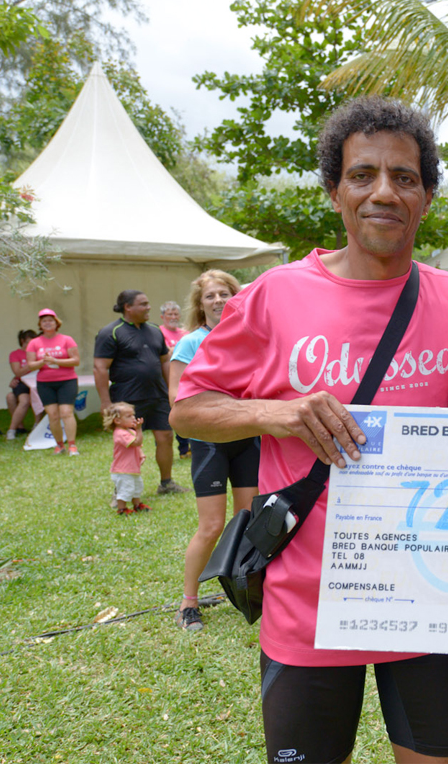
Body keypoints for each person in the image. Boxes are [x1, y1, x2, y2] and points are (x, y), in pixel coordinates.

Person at [170, 96, 448, 764]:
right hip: (307, 606)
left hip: (425, 600)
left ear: (427, 196)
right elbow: (188, 405)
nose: (384, 191)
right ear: (334, 190)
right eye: (363, 174)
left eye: (405, 177)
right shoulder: (272, 295)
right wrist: (275, 412)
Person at [167, 270, 260, 632]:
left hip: (248, 437)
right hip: (209, 443)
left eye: (224, 294)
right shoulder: (190, 343)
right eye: (211, 296)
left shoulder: (249, 337)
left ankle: (239, 585)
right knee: (211, 525)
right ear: (200, 303)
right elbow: (176, 396)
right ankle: (188, 603)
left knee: (246, 521)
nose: (218, 300)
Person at [94, 290, 188, 494]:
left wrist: (172, 390)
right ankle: (122, 491)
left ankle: (167, 484)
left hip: (157, 395)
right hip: (127, 399)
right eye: (143, 304)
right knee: (128, 444)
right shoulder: (111, 332)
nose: (149, 307)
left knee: (165, 437)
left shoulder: (155, 330)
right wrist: (105, 402)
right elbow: (100, 368)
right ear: (128, 307)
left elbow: (165, 361)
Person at [25, 309, 81, 455]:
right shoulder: (34, 343)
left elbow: (76, 360)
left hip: (67, 381)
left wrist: (56, 361)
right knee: (53, 415)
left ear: (57, 323)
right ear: (40, 325)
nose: (48, 323)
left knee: (66, 412)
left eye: (50, 320)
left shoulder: (67, 339)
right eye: (44, 321)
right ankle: (59, 445)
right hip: (45, 383)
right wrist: (42, 362)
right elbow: (30, 365)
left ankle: (72, 445)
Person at [158, 300, 191, 459]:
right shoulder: (159, 333)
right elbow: (165, 355)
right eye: (169, 314)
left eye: (175, 314)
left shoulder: (186, 333)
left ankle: (190, 446)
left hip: (189, 379)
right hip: (169, 381)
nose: (173, 317)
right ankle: (183, 448)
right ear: (162, 316)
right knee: (176, 412)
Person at [104, 402, 150, 515]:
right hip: (122, 469)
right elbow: (137, 441)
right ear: (117, 421)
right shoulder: (120, 433)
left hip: (132, 468)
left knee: (136, 487)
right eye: (128, 416)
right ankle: (122, 508)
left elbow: (137, 446)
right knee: (125, 489)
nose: (133, 418)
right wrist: (139, 429)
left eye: (133, 415)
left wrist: (141, 454)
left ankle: (137, 504)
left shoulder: (129, 431)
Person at [6, 329, 37, 440]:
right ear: (22, 341)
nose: (31, 345)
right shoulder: (15, 354)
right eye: (29, 342)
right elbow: (18, 372)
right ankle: (14, 429)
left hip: (36, 383)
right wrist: (32, 364)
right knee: (23, 399)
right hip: (22, 383)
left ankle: (36, 426)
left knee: (36, 398)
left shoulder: (37, 353)